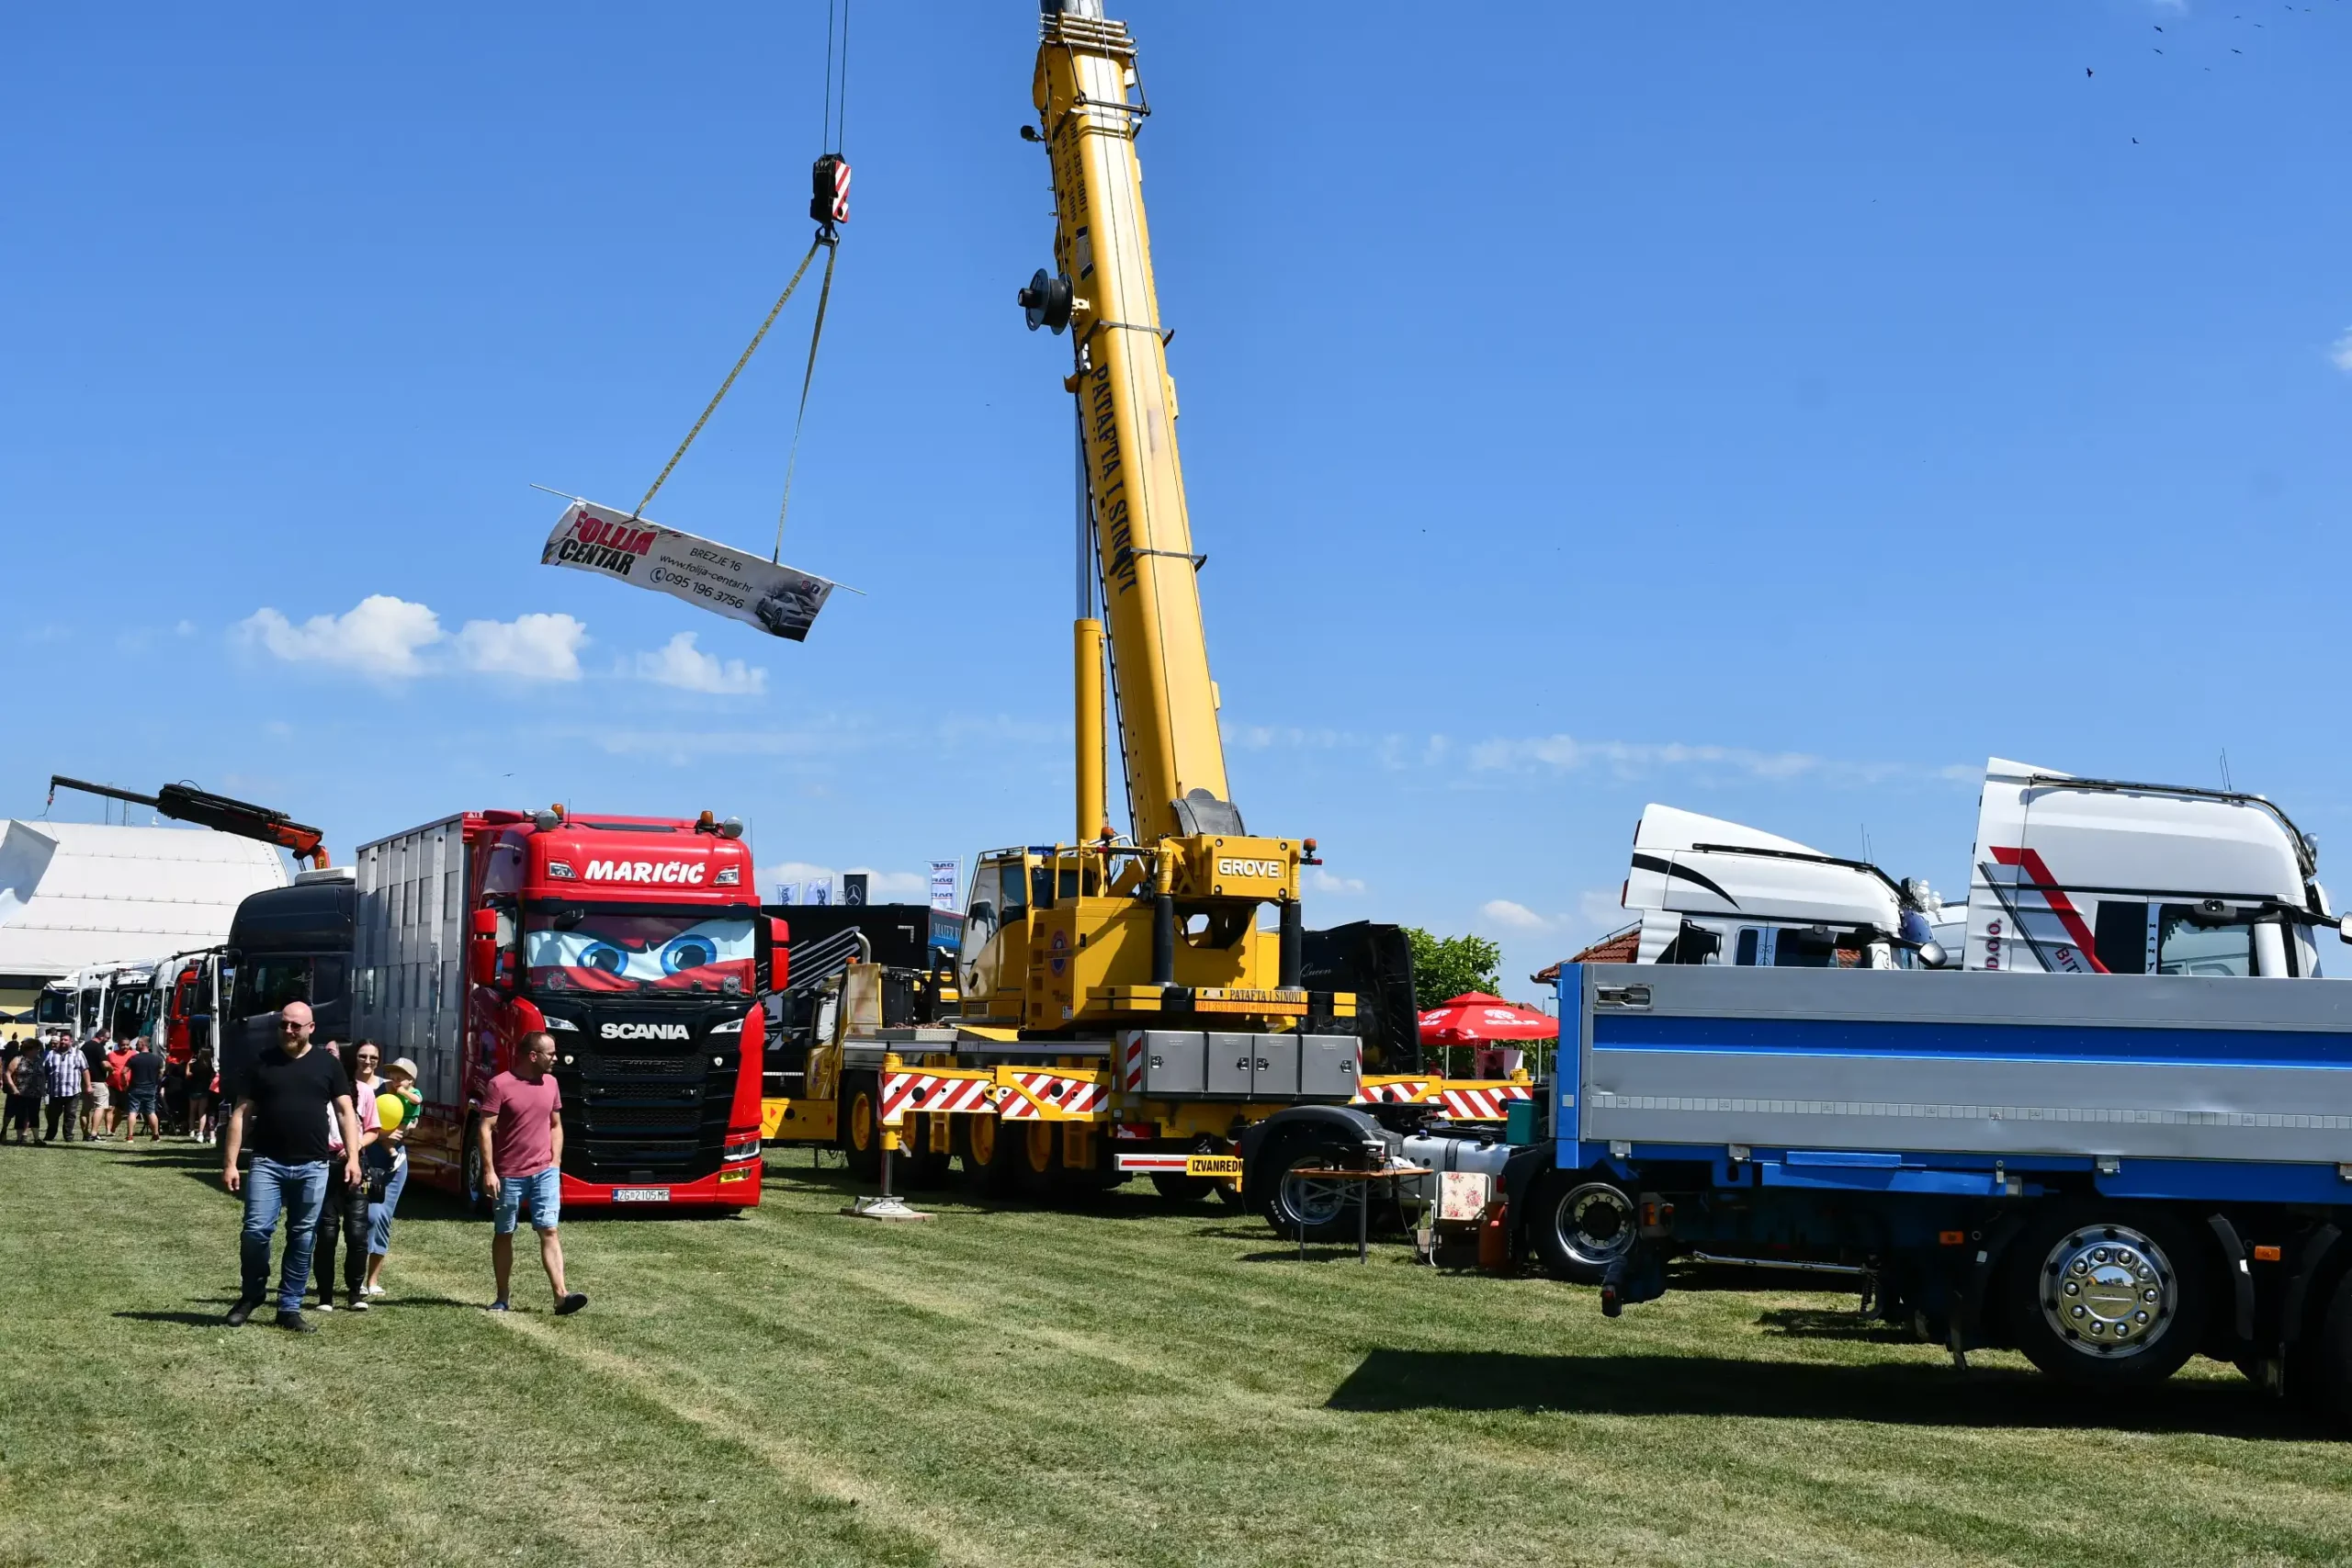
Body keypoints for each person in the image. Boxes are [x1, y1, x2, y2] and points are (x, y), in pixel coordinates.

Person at [220, 1001, 362, 1333]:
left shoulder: (327, 1064)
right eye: (284, 1025)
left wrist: (353, 1157)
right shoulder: (261, 1062)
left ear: (311, 1028)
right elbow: (240, 1114)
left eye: (296, 1026)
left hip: (313, 1166)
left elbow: (344, 1111)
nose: (288, 1031)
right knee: (255, 1231)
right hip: (267, 1163)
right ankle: (252, 1295)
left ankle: (289, 1307)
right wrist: (230, 1164)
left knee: (301, 1237)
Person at [478, 1032, 586, 1315]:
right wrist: (489, 1171)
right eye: (551, 1053)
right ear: (532, 1056)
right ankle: (502, 1297)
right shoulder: (499, 1085)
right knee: (504, 1232)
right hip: (509, 1175)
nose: (556, 1058)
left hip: (545, 1173)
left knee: (549, 1230)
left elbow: (555, 1124)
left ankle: (561, 1296)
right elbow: (485, 1129)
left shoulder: (551, 1083)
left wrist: (556, 1161)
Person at [308, 1043, 378, 1313]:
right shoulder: (315, 1091)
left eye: (335, 1057)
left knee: (357, 1232)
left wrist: (354, 1147)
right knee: (326, 1233)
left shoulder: (364, 1092)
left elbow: (373, 1129)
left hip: (354, 1165)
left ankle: (354, 1292)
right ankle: (325, 1295)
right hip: (322, 1163)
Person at [361, 1055, 417, 1298]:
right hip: (369, 1156)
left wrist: (411, 1125)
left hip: (395, 1162)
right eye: (393, 1072)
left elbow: (413, 1118)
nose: (396, 1078)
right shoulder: (375, 1092)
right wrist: (383, 1136)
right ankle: (357, 1279)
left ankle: (372, 1281)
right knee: (368, 1217)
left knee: (382, 1217)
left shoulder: (411, 1094)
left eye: (401, 1075)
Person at [42, 1032, 87, 1143]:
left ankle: (68, 1136)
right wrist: (42, 1084)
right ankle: (50, 1135)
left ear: (71, 1042)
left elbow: (85, 1070)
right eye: (62, 1040)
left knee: (70, 1115)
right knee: (52, 1116)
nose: (63, 1042)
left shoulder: (78, 1053)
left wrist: (89, 1085)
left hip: (72, 1091)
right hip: (55, 1091)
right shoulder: (51, 1054)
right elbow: (44, 1071)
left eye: (66, 1040)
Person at [119, 1038, 164, 1145]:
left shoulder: (134, 1058)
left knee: (133, 1112)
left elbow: (123, 1072)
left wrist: (124, 1084)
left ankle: (130, 1137)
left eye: (138, 1043)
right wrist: (156, 1082)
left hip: (135, 1088)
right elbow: (161, 1073)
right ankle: (156, 1135)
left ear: (143, 1044)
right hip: (150, 1089)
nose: (135, 1045)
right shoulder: (157, 1059)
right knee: (151, 1112)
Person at [3, 1035, 40, 1144]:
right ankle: (4, 1130)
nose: (38, 1051)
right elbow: (7, 1073)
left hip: (33, 1093)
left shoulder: (38, 1060)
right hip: (17, 1092)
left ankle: (26, 1135)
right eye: (36, 1049)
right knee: (11, 1113)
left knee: (29, 1115)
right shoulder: (17, 1058)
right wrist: (13, 1088)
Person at [82, 1031, 109, 1139]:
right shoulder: (99, 1047)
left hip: (85, 1082)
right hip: (98, 1081)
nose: (108, 1040)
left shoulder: (84, 1046)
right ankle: (94, 1133)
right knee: (100, 1107)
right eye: (107, 1038)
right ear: (101, 1036)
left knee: (86, 1109)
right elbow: (104, 1064)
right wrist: (112, 1070)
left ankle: (85, 1134)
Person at [187, 1043, 217, 1143]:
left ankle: (191, 1130)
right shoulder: (210, 1067)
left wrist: (188, 1064)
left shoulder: (195, 1065)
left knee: (192, 1112)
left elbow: (188, 1075)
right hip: (204, 1091)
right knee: (202, 1113)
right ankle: (200, 1132)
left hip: (194, 1090)